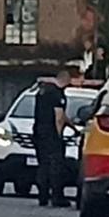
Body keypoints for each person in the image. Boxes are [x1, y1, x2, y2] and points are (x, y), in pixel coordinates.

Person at [34, 69, 74, 207]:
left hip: (39, 132)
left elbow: (61, 116)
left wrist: (72, 127)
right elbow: (59, 116)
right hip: (51, 134)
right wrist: (59, 135)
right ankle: (57, 197)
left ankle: (43, 196)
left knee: (43, 164)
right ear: (66, 80)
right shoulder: (57, 94)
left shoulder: (42, 92)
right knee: (56, 166)